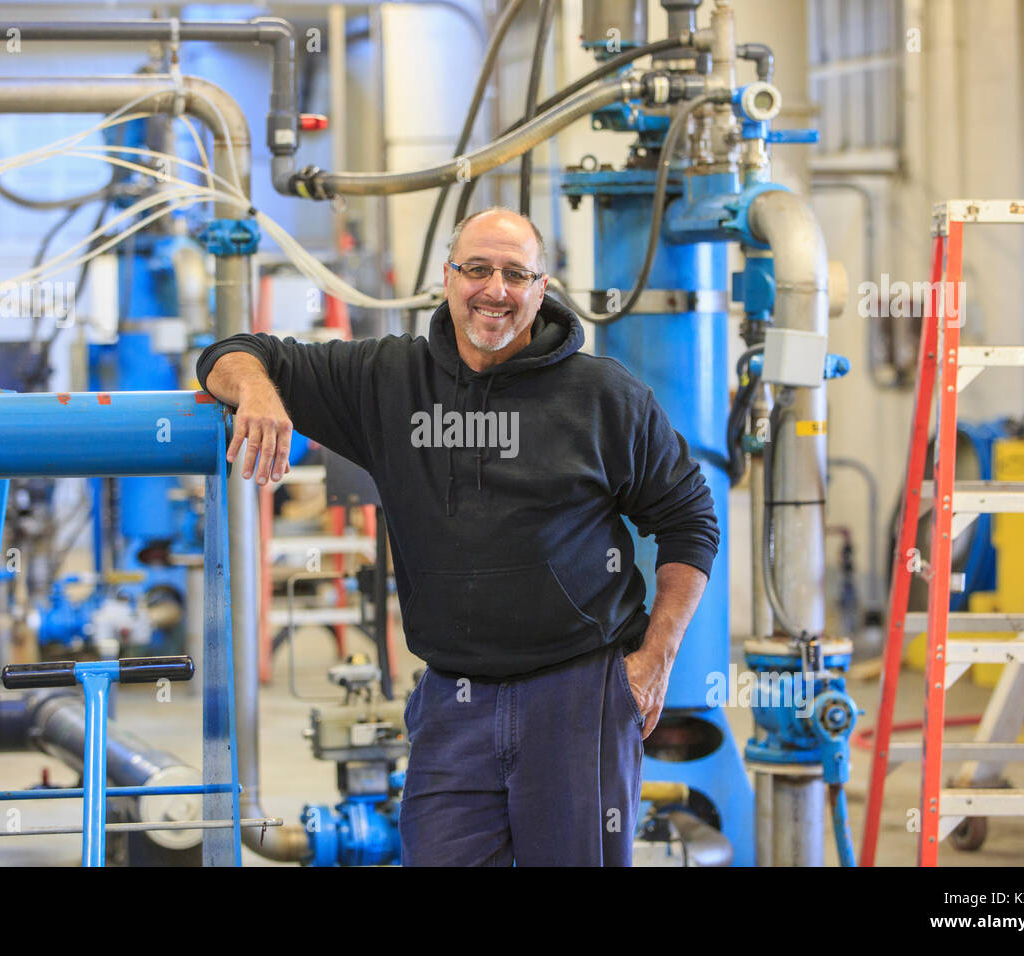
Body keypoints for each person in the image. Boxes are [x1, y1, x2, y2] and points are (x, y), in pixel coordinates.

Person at [197, 206, 718, 866]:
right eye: (477, 269)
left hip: (578, 697)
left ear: (541, 287)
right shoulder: (386, 381)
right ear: (447, 277)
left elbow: (690, 522)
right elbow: (228, 355)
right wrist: (260, 394)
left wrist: (655, 659)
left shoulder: (603, 396)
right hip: (453, 701)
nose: (495, 290)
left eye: (514, 274)